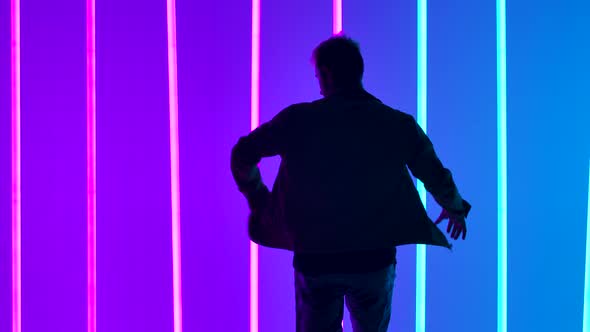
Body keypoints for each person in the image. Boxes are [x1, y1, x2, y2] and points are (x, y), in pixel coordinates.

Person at [231, 35, 471, 332]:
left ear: (328, 74)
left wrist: (259, 199)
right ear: (359, 71)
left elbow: (242, 154)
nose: (318, 84)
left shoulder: (297, 121)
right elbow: (434, 173)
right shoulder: (395, 124)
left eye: (318, 76)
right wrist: (454, 206)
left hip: (316, 259)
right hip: (373, 259)